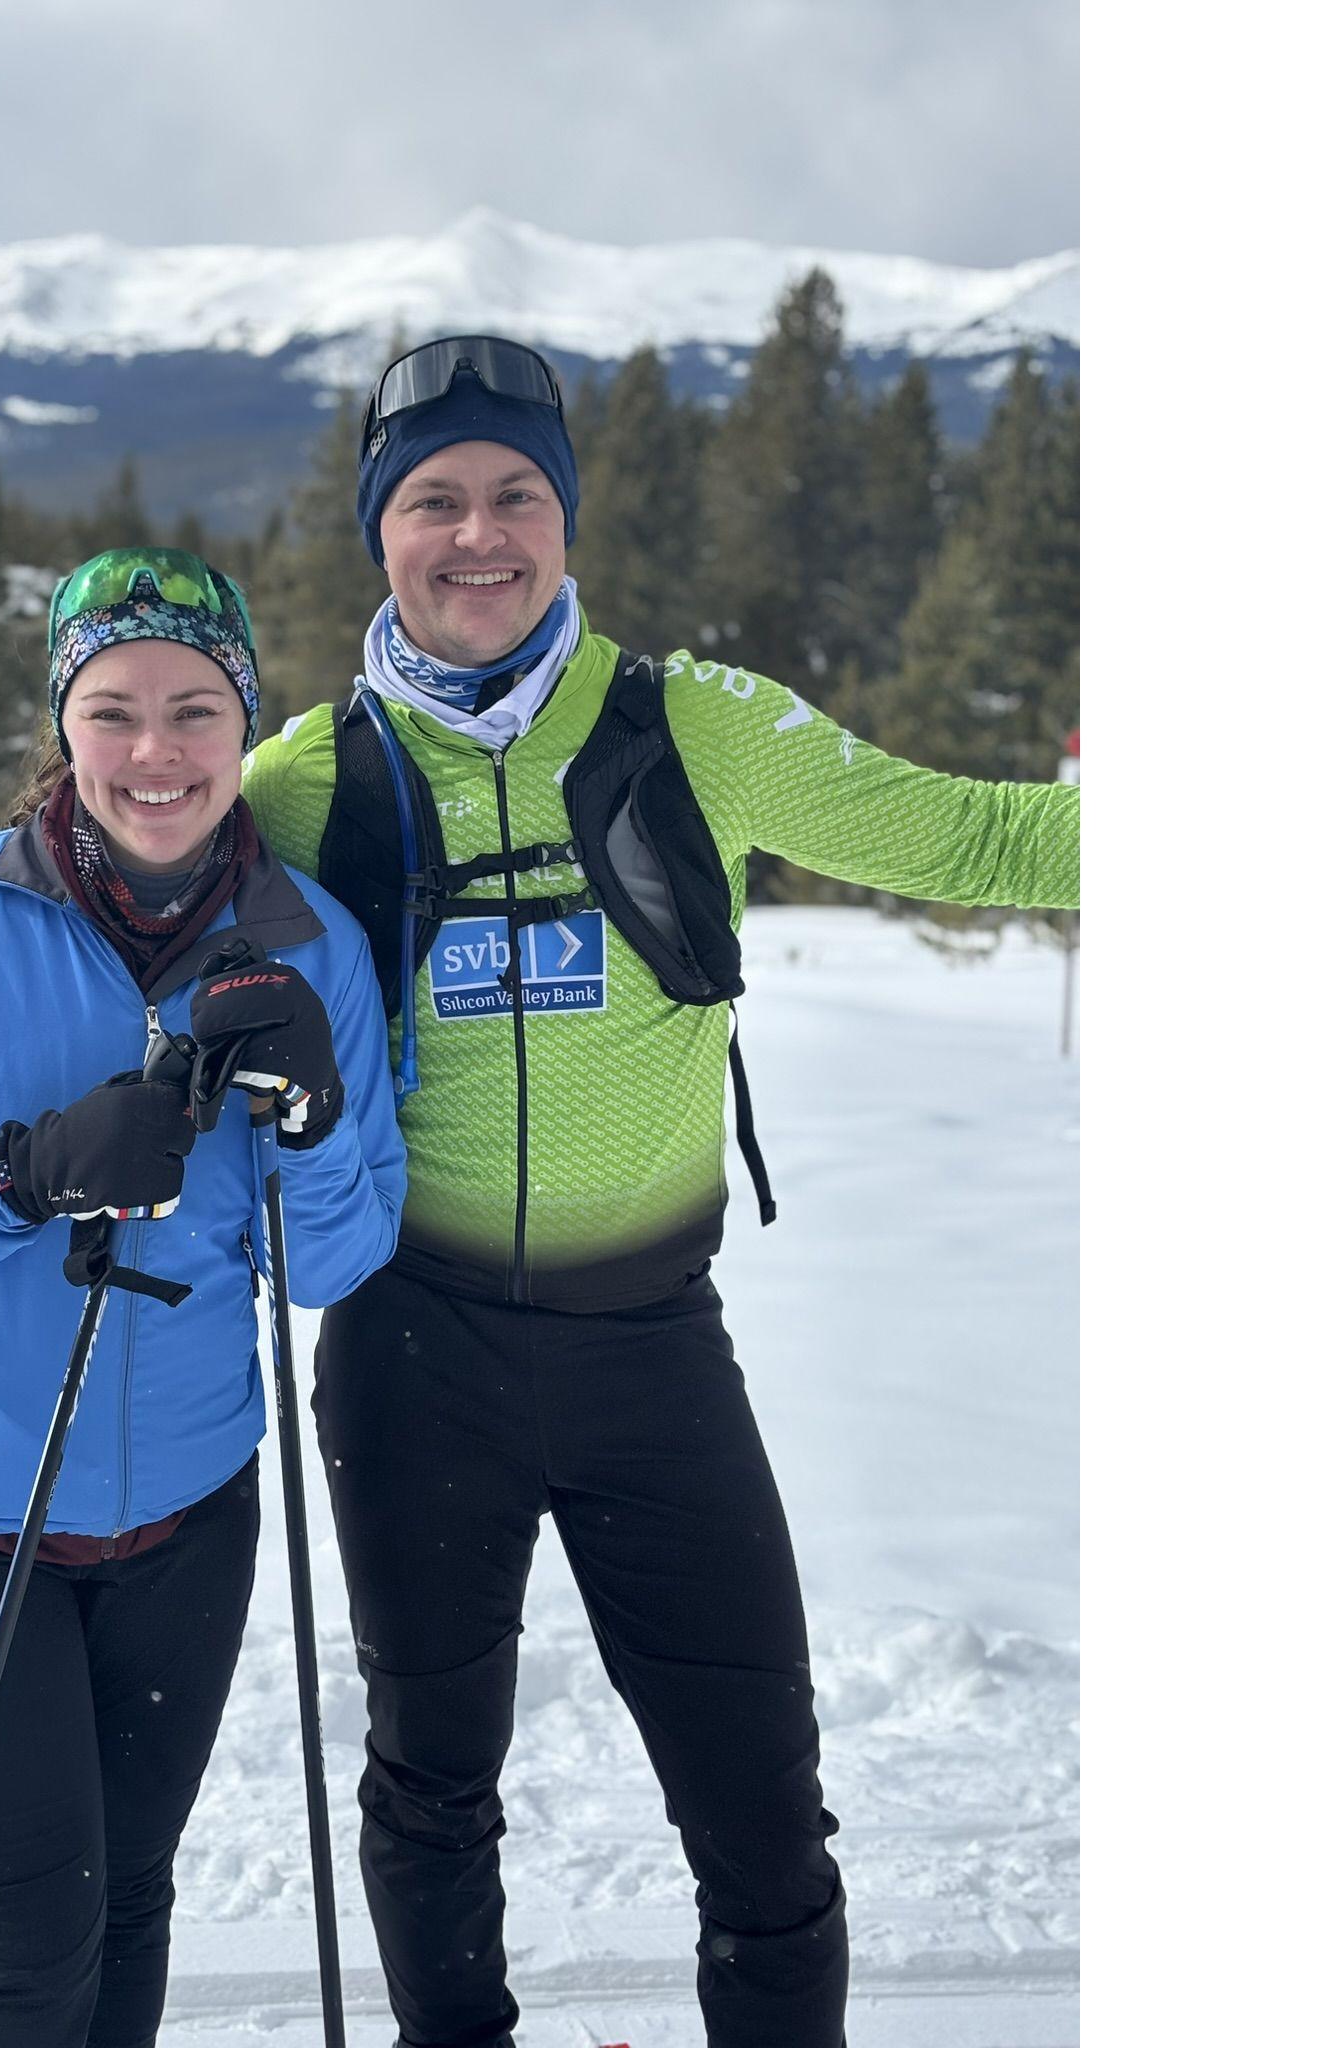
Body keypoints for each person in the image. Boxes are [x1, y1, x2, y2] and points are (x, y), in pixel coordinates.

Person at [238, 336, 1080, 2048]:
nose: (480, 536)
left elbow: (985, 841)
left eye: (516, 495)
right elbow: (110, 888)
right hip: (415, 1355)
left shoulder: (692, 725)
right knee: (428, 1787)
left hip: (653, 1358)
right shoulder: (303, 784)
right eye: (433, 503)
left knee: (766, 1817)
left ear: (567, 517)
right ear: (378, 536)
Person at [0, 547, 406, 2048]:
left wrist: (312, 1125)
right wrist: (23, 1171)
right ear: (62, 723)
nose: (155, 752)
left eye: (195, 710)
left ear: (242, 724)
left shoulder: (312, 943)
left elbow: (334, 1263)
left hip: (187, 1513)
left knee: (128, 1906)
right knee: (20, 1951)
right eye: (112, 709)